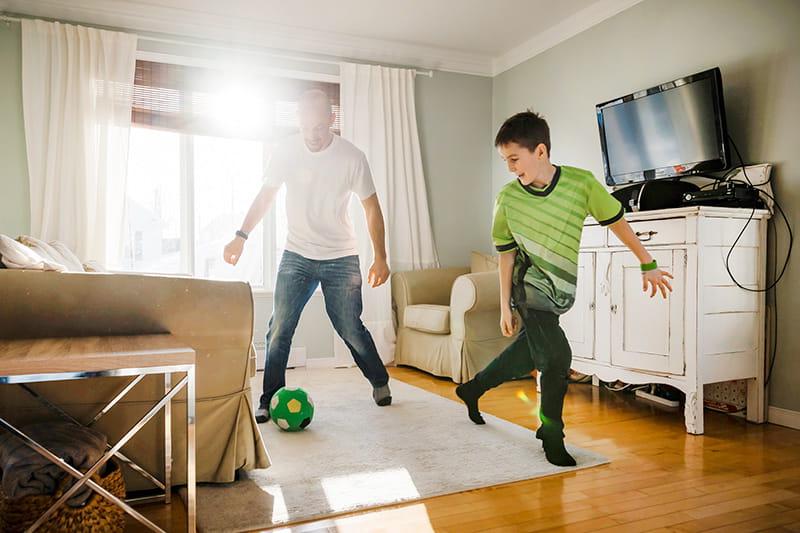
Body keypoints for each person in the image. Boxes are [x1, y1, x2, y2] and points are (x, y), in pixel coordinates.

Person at [455, 111, 673, 466]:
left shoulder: (581, 184)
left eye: (514, 159)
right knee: (557, 359)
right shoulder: (508, 199)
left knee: (528, 353)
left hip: (560, 291)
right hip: (529, 288)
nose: (510, 168)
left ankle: (473, 389)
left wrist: (647, 262)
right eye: (505, 161)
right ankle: (551, 433)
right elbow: (507, 258)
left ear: (540, 151)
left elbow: (617, 222)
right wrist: (505, 306)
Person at [223, 89, 392, 423]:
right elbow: (266, 196)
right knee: (280, 327)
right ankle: (269, 397)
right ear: (297, 121)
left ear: (331, 120)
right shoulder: (285, 150)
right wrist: (241, 236)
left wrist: (380, 256)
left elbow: (371, 208)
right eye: (306, 127)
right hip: (297, 253)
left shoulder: (352, 157)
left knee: (349, 327)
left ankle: (380, 381)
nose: (313, 135)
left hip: (341, 257)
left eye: (319, 127)